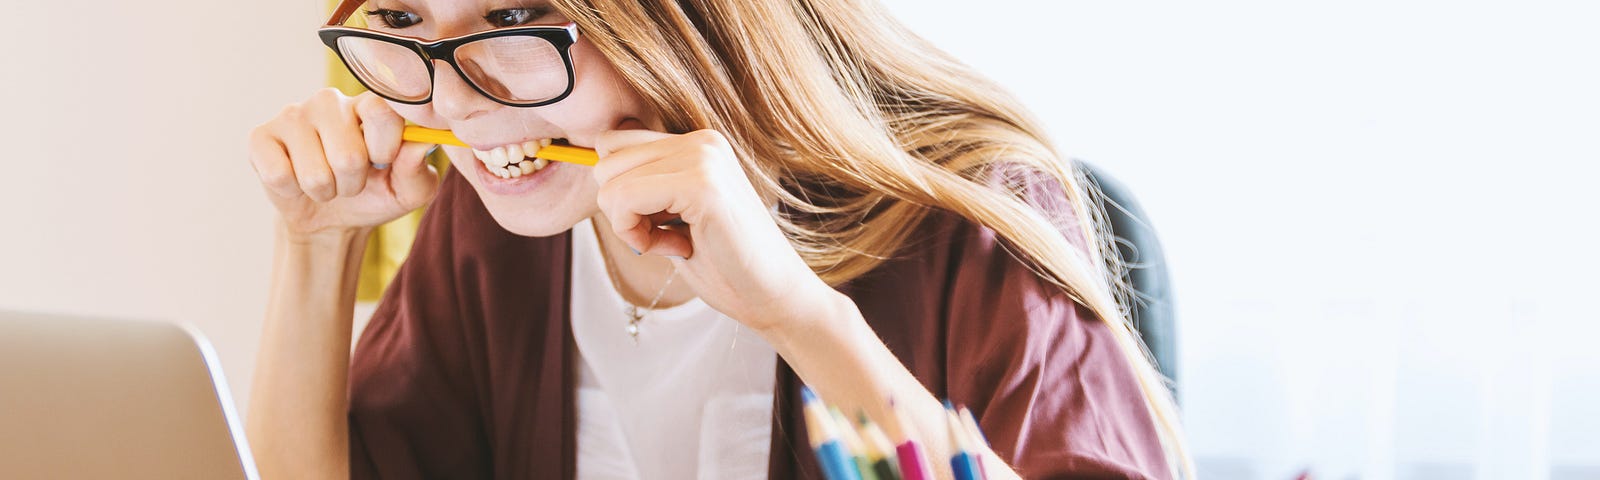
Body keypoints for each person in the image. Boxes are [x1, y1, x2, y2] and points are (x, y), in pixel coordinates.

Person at [244, 0, 1193, 478]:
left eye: (514, 18)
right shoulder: (502, 219)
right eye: (404, 19)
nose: (453, 103)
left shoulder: (967, 219)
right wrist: (313, 246)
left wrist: (792, 311)